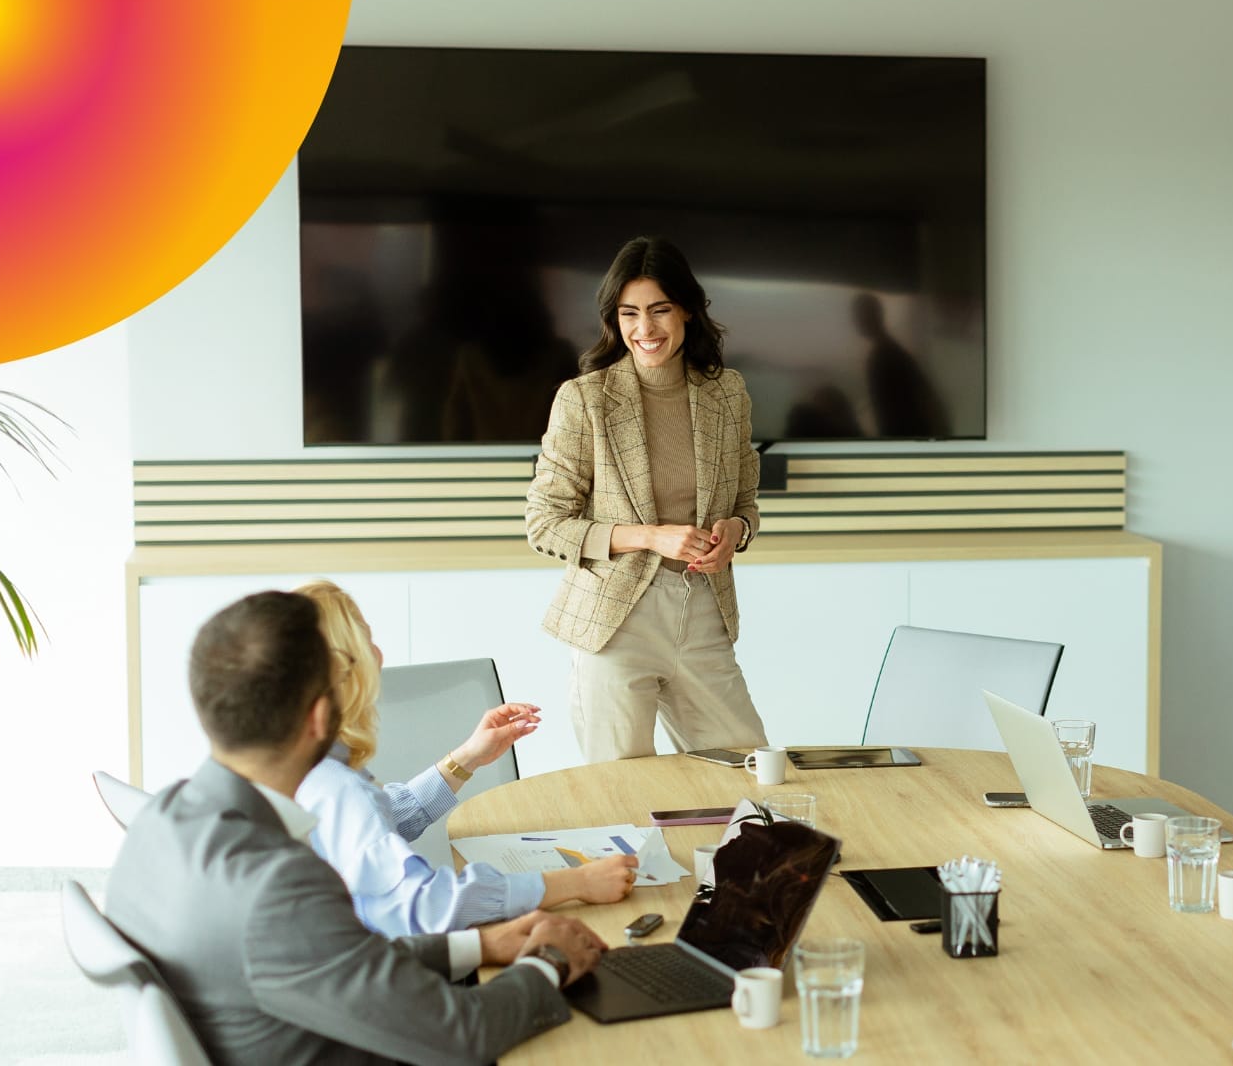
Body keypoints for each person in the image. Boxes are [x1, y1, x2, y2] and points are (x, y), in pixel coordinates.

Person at [104, 591, 608, 1065]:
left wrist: (478, 946)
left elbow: (333, 957)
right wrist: (549, 962)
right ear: (321, 717)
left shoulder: (161, 819)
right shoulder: (281, 885)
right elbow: (462, 1033)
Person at [526, 236, 768, 761]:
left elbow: (746, 501)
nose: (645, 329)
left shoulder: (728, 393)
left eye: (660, 310)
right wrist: (650, 537)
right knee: (622, 792)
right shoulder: (584, 399)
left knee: (747, 776)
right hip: (616, 624)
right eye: (629, 313)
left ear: (686, 310)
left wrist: (736, 532)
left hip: (703, 613)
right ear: (614, 319)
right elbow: (545, 524)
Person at [292, 580, 638, 936]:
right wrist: (577, 883)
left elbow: (385, 817)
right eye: (367, 639)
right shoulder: (341, 789)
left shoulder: (305, 766)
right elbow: (429, 906)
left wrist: (467, 758)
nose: (378, 653)